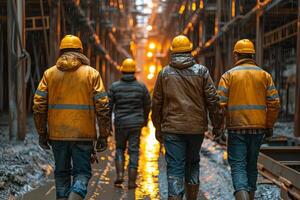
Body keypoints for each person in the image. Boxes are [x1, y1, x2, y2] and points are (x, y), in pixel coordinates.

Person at [33, 35, 111, 200]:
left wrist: (42, 132)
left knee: (61, 174)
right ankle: (74, 197)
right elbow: (103, 107)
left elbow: (38, 106)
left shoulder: (49, 74)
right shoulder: (92, 74)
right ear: (80, 51)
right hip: (83, 135)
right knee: (82, 173)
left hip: (57, 135)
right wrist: (104, 134)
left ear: (61, 51)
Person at [151, 35, 222, 200]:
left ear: (172, 53)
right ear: (190, 51)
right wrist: (217, 125)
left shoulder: (164, 74)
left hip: (172, 129)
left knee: (175, 167)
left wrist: (158, 126)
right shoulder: (202, 72)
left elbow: (156, 103)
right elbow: (213, 100)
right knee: (192, 164)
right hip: (195, 129)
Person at [217, 39, 280, 200]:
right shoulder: (264, 75)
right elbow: (274, 102)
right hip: (258, 129)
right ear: (252, 55)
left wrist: (220, 127)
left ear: (236, 55)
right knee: (252, 166)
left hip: (236, 128)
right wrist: (269, 125)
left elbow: (219, 105)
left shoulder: (228, 76)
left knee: (238, 166)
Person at [108, 58, 151, 189]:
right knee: (133, 150)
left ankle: (120, 175)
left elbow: (108, 107)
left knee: (120, 148)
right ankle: (132, 181)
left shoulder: (114, 87)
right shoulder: (142, 87)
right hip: (135, 124)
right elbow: (147, 105)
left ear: (122, 71)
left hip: (120, 123)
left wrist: (108, 124)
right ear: (134, 72)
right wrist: (144, 121)